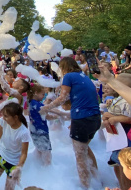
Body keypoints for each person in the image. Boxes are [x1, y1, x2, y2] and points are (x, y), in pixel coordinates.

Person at [39, 57, 101, 189]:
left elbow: (63, 98)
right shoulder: (83, 76)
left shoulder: (69, 76)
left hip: (82, 118)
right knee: (85, 150)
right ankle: (97, 180)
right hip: (95, 118)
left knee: (80, 156)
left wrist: (46, 108)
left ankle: (86, 186)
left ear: (63, 67)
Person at [0, 101, 30, 190]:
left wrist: (19, 167)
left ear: (15, 117)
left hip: (14, 163)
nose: (3, 118)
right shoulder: (4, 122)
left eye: (6, 116)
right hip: (1, 156)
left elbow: (24, 153)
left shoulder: (24, 132)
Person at [27, 84, 65, 166]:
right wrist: (60, 115)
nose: (43, 96)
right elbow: (48, 113)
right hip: (41, 131)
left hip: (33, 131)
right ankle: (47, 168)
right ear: (36, 93)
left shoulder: (30, 103)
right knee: (47, 152)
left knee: (39, 149)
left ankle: (38, 168)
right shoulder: (37, 104)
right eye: (42, 94)